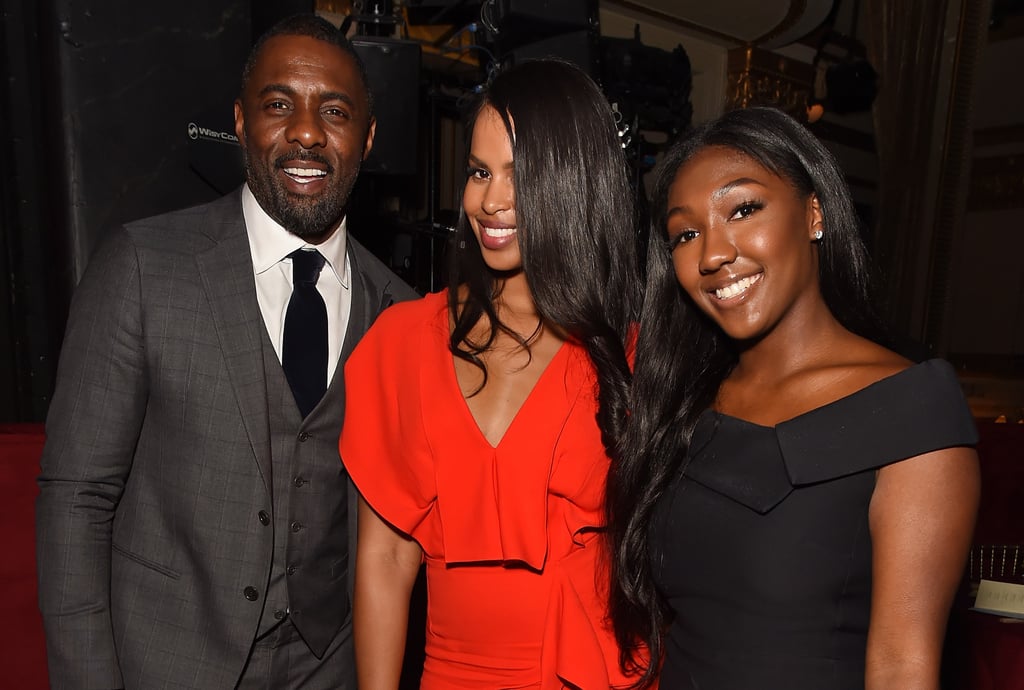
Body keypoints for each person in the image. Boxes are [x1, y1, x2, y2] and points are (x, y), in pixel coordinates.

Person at [35, 14, 416, 689]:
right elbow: (76, 500)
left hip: (330, 670)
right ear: (241, 122)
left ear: (369, 138)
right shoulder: (144, 266)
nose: (305, 131)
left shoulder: (401, 313)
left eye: (334, 111)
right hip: (167, 664)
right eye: (279, 105)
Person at [607, 106, 981, 689]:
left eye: (743, 209)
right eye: (686, 233)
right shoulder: (684, 404)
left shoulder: (910, 408)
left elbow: (903, 666)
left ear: (813, 213)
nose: (712, 255)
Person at [338, 58, 644, 689]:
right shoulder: (404, 342)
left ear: (575, 184)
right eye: (480, 172)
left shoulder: (631, 358)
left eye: (520, 175)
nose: (490, 200)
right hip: (451, 673)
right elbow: (387, 557)